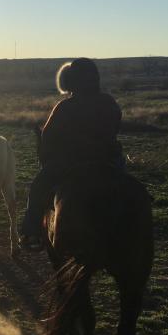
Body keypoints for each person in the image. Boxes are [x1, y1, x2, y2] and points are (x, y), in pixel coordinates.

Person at [19, 57, 124, 251]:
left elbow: (48, 139)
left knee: (39, 185)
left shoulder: (64, 107)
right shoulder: (109, 102)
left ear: (70, 81)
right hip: (108, 161)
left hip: (71, 163)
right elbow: (116, 127)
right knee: (125, 182)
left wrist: (49, 154)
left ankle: (31, 231)